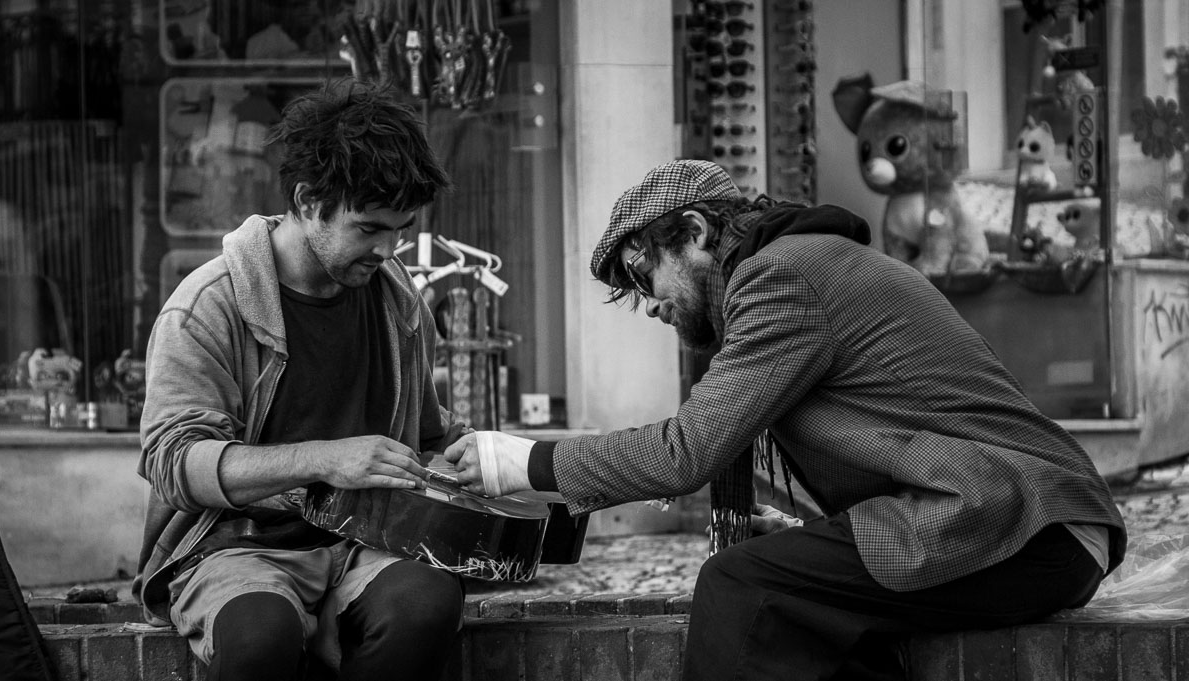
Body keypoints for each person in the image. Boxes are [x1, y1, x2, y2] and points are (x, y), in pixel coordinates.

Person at [444, 159, 1127, 681]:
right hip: (1034, 523)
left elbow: (685, 452)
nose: (647, 306)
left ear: (694, 232)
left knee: (741, 586)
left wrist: (518, 462)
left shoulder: (781, 278)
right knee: (797, 606)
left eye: (645, 276)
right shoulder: (801, 267)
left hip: (1025, 524)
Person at [135, 80, 467, 681]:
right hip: (235, 548)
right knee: (262, 638)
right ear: (309, 201)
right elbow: (174, 463)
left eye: (402, 228)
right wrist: (325, 459)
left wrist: (495, 461)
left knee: (427, 604)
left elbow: (426, 435)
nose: (389, 250)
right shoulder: (207, 304)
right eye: (369, 229)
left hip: (366, 541)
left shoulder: (398, 302)